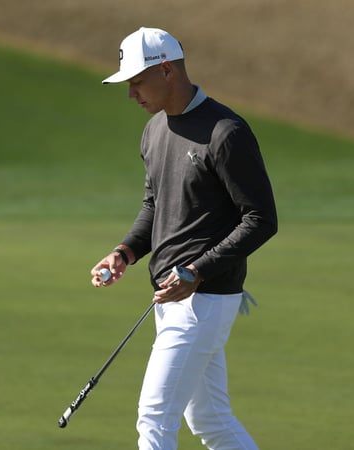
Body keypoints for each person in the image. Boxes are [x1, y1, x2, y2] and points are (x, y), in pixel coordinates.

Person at [92, 27, 277, 449]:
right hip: (172, 297)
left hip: (205, 301)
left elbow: (262, 218)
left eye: (137, 82)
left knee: (154, 420)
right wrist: (126, 251)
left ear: (167, 70)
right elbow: (155, 205)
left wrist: (196, 270)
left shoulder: (225, 132)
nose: (131, 94)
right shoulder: (155, 130)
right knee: (212, 421)